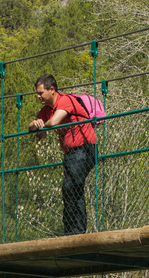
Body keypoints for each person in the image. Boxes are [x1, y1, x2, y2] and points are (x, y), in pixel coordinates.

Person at [28, 74, 97, 235]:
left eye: (40, 93)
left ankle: (74, 230)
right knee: (73, 189)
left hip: (85, 149)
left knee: (70, 187)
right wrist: (35, 125)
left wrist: (42, 126)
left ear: (52, 90)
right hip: (71, 155)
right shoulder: (46, 110)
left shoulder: (65, 101)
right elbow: (31, 126)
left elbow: (53, 122)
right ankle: (76, 230)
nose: (38, 97)